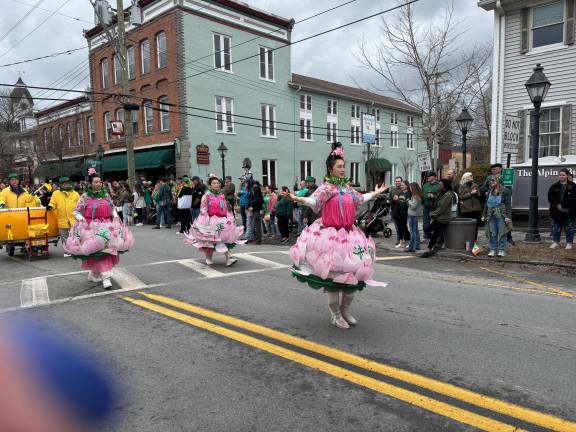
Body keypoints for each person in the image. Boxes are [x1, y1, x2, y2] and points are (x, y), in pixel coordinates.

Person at [283, 142, 388, 329]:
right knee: (333, 282)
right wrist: (298, 198)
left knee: (352, 280)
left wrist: (375, 193)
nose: (342, 169)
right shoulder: (326, 188)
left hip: (349, 235)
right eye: (339, 166)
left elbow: (360, 198)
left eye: (343, 166)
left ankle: (345, 309)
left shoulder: (347, 188)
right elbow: (314, 200)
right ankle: (335, 313)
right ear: (330, 169)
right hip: (330, 238)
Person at [65, 170, 134, 289]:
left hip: (107, 226)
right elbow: (76, 211)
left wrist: (116, 217)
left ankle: (96, 273)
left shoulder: (105, 195)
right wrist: (82, 220)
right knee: (98, 252)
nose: (99, 184)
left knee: (106, 251)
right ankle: (105, 277)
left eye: (100, 182)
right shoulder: (85, 196)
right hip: (90, 227)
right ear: (90, 184)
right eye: (96, 182)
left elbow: (112, 208)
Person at [185, 174, 244, 266]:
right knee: (209, 241)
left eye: (218, 183)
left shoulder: (221, 195)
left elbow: (224, 206)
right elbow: (203, 208)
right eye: (214, 183)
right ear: (210, 185)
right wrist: (205, 220)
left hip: (221, 220)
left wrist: (228, 216)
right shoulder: (206, 195)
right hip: (210, 220)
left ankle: (229, 258)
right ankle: (209, 257)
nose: (216, 184)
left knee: (224, 238)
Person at [420, 179, 454, 258]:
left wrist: (432, 214)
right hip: (438, 217)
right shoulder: (441, 193)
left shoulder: (448, 195)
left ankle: (432, 246)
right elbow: (436, 204)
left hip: (443, 218)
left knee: (428, 230)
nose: (439, 186)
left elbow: (442, 208)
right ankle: (431, 248)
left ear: (444, 186)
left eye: (440, 185)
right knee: (434, 234)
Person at [47, 177, 80, 257]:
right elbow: (53, 203)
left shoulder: (75, 194)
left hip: (73, 218)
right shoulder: (56, 194)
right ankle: (67, 251)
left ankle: (75, 249)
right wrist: (50, 207)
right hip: (62, 218)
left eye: (67, 183)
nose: (66, 185)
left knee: (75, 235)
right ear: (60, 185)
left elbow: (80, 205)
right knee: (64, 236)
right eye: (64, 183)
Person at [482, 175, 512, 257]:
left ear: (498, 181)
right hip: (491, 215)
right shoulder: (489, 191)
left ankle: (501, 250)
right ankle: (493, 249)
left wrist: (508, 217)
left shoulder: (505, 191)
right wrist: (483, 214)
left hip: (501, 214)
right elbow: (486, 204)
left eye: (492, 180)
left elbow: (508, 205)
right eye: (490, 181)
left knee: (502, 232)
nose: (491, 182)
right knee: (492, 232)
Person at [547, 168, 575, 250]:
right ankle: (556, 242)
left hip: (569, 211)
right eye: (560, 175)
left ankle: (569, 243)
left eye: (563, 175)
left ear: (567, 175)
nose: (561, 176)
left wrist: (563, 205)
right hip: (556, 211)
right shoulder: (554, 186)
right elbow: (550, 198)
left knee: (569, 227)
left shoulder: (573, 186)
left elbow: (574, 199)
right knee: (556, 227)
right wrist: (558, 205)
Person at [458, 172, 482, 241]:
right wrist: (470, 193)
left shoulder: (475, 185)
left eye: (472, 175)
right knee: (467, 227)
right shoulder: (462, 186)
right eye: (470, 176)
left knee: (475, 226)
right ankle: (467, 241)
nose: (472, 176)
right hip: (466, 209)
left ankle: (474, 242)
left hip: (476, 209)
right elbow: (461, 196)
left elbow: (480, 196)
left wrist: (476, 193)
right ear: (466, 177)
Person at [422, 171, 440, 241]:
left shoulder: (439, 185)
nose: (427, 177)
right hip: (426, 207)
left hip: (435, 207)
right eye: (427, 176)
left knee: (435, 223)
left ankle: (435, 237)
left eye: (429, 176)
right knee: (425, 223)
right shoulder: (425, 185)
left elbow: (441, 197)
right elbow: (422, 194)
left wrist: (433, 196)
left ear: (434, 177)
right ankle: (426, 237)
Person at [392, 180, 411, 248]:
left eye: (403, 185)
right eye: (401, 185)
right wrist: (395, 199)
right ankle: (401, 242)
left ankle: (408, 241)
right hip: (398, 213)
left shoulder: (409, 194)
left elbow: (408, 203)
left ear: (407, 186)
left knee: (404, 227)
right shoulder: (400, 193)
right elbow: (398, 202)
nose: (402, 186)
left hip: (404, 213)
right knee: (399, 228)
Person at [407, 182, 423, 252]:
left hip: (413, 215)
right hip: (414, 215)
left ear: (413, 188)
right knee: (415, 231)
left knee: (412, 232)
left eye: (410, 187)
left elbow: (413, 206)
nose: (409, 188)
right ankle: (417, 245)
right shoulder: (416, 195)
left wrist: (408, 201)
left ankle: (411, 247)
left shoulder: (416, 196)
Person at [388, 176, 404, 246]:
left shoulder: (403, 189)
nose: (397, 182)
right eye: (396, 181)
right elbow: (389, 200)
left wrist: (398, 199)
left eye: (399, 181)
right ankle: (399, 239)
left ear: (401, 182)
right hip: (394, 211)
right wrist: (390, 206)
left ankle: (403, 239)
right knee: (397, 227)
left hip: (402, 211)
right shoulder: (392, 190)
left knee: (403, 226)